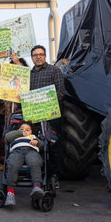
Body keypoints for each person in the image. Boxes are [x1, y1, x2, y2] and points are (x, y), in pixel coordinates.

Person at [29, 45, 65, 184]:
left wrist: (45, 104)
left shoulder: (54, 70)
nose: (38, 56)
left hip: (51, 115)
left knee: (53, 145)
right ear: (32, 57)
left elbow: (60, 92)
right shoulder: (28, 75)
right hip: (33, 116)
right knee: (34, 144)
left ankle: (54, 176)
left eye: (41, 54)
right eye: (35, 55)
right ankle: (38, 174)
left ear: (45, 56)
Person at [4, 122, 44, 206]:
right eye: (21, 129)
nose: (24, 131)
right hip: (16, 151)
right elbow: (7, 137)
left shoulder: (33, 137)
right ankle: (10, 193)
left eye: (27, 130)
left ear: (31, 132)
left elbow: (41, 145)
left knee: (35, 162)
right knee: (13, 164)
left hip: (31, 150)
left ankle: (36, 187)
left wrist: (36, 142)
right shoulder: (15, 136)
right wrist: (19, 133)